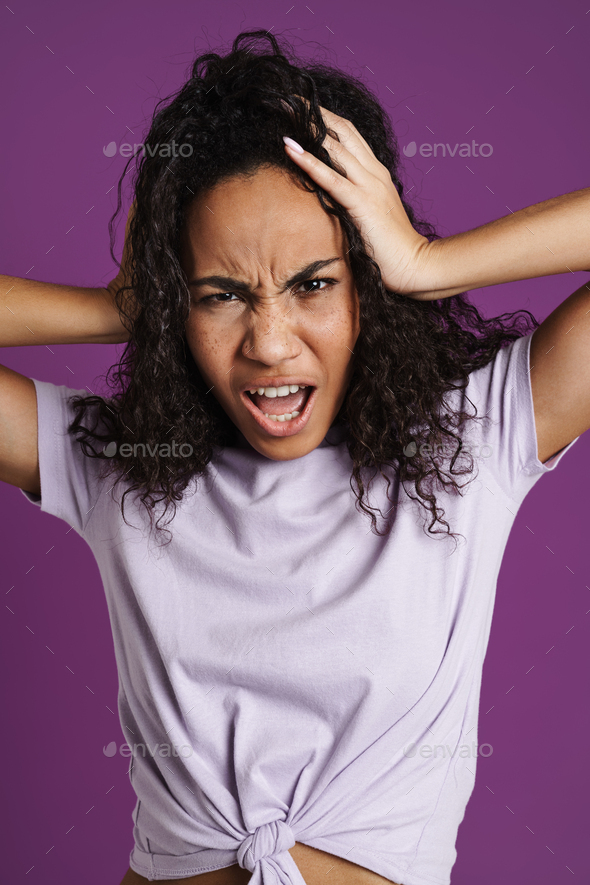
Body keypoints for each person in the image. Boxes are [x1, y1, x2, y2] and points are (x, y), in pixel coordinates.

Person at [1, 27, 588, 885]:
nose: (270, 344)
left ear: (367, 284)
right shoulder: (117, 462)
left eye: (314, 282)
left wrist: (428, 261)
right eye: (221, 295)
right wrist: (123, 303)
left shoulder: (476, 437)